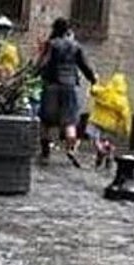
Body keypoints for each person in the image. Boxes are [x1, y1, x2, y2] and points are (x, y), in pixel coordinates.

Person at [38, 18, 97, 167]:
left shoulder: (51, 44)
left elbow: (43, 63)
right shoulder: (76, 46)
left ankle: (45, 152)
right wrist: (93, 79)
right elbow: (85, 66)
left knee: (46, 121)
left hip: (52, 85)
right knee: (69, 121)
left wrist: (34, 73)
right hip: (70, 86)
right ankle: (71, 150)